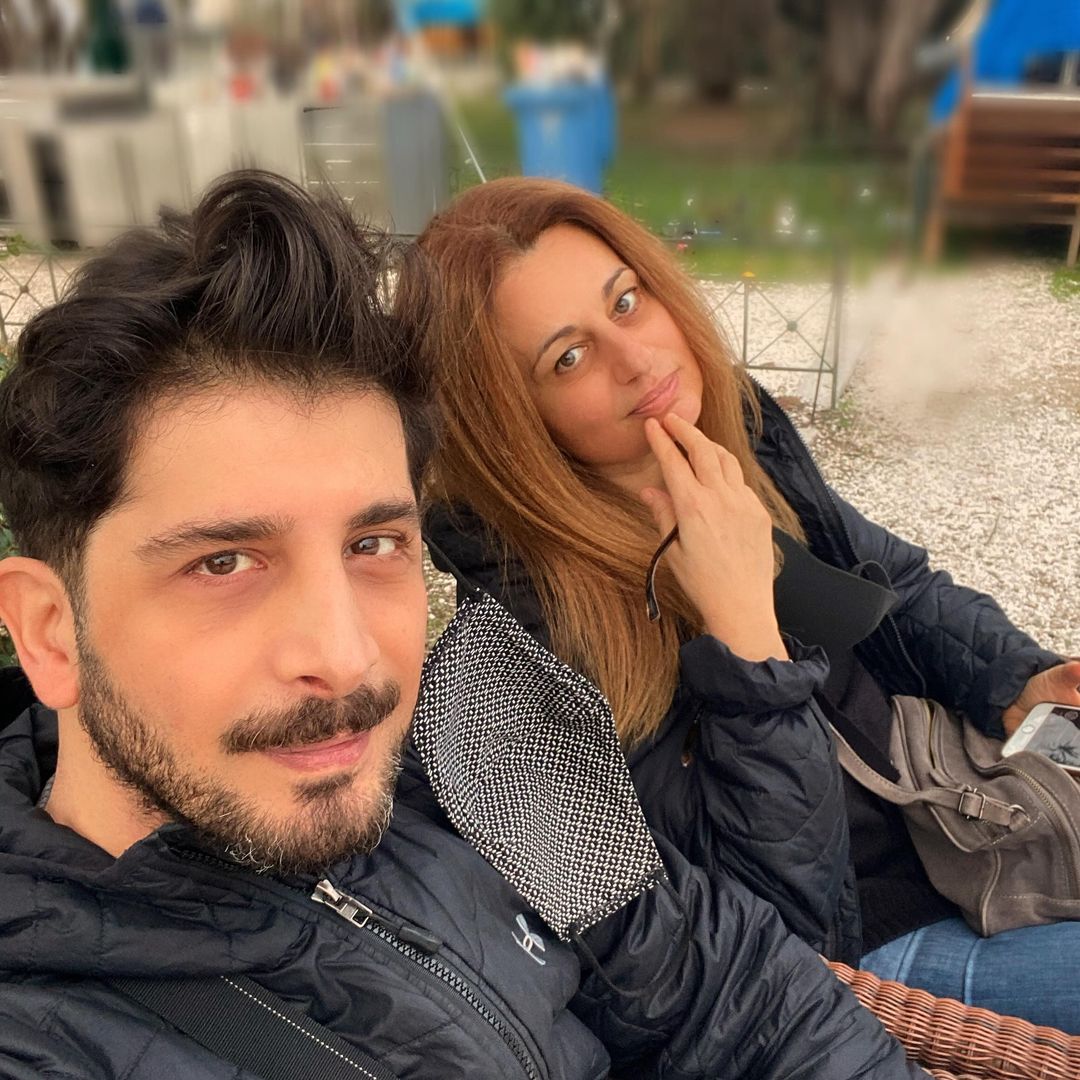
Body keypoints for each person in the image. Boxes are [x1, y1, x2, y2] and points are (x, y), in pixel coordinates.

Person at [0, 170, 927, 1079]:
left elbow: (740, 990)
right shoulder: (48, 1031)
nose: (349, 660)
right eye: (224, 563)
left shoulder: (469, 759)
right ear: (47, 630)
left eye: (373, 545)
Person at [408, 176, 1080, 1031]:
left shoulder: (733, 432)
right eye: (567, 358)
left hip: (954, 801)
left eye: (626, 302)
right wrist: (745, 642)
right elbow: (767, 935)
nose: (638, 360)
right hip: (877, 940)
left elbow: (893, 587)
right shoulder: (533, 641)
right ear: (508, 420)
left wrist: (1014, 679)